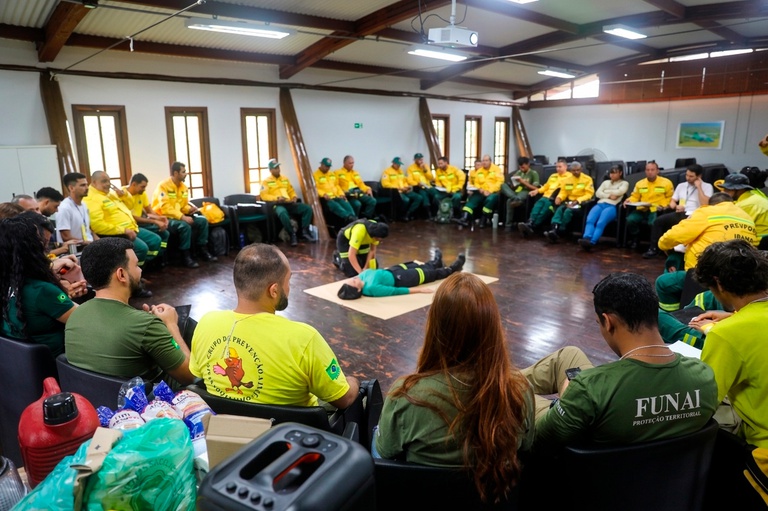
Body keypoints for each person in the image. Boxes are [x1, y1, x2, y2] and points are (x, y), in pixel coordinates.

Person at [374, 273, 534, 504]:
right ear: (492, 327)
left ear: (435, 327)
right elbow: (526, 448)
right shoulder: (519, 391)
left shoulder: (406, 395)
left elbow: (385, 454)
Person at [528, 272, 718, 455]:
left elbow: (542, 439)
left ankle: (508, 385)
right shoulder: (705, 377)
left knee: (515, 390)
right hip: (666, 470)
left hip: (592, 468)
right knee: (570, 354)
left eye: (599, 323)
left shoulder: (588, 389)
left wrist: (564, 402)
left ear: (608, 321)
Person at [190, 243, 360, 408]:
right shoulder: (304, 338)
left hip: (225, 425)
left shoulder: (206, 323)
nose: (289, 287)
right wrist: (353, 381)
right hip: (290, 428)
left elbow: (197, 376)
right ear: (274, 291)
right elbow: (343, 399)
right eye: (288, 281)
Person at [65, 237, 195, 388]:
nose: (140, 270)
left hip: (94, 397)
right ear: (121, 274)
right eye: (136, 265)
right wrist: (171, 325)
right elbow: (190, 377)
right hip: (155, 400)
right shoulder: (146, 326)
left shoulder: (75, 315)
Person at [693, 239, 768, 447]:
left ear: (718, 283)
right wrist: (734, 316)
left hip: (760, 450)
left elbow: (704, 402)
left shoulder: (725, 334)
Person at [655, 192, 758, 311]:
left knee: (664, 282)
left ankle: (672, 315)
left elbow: (672, 237)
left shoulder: (707, 212)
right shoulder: (747, 217)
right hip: (743, 275)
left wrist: (663, 245)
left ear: (711, 204)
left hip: (706, 275)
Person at [0, 214, 79, 357]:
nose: (45, 248)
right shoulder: (42, 291)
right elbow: (87, 320)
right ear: (31, 250)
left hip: (18, 363)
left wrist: (62, 294)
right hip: (56, 362)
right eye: (40, 242)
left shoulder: (7, 284)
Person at [84, 171, 163, 280]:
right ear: (94, 182)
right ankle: (132, 278)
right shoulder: (91, 199)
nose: (108, 184)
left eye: (109, 181)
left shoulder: (110, 194)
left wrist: (124, 195)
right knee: (142, 249)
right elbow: (97, 225)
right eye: (104, 181)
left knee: (155, 240)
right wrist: (124, 230)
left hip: (132, 228)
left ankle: (139, 270)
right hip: (116, 233)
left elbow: (130, 206)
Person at [151, 161, 217, 268]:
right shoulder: (163, 186)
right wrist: (182, 217)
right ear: (175, 173)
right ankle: (185, 256)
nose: (186, 174)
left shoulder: (184, 188)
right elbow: (165, 208)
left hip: (179, 216)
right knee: (185, 226)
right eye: (183, 172)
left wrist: (190, 209)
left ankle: (203, 250)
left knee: (202, 220)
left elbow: (183, 205)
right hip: (165, 218)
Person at [643, 164, 713, 258]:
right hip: (682, 212)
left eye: (691, 176)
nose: (688, 178)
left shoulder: (707, 187)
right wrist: (676, 206)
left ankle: (676, 251)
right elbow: (673, 201)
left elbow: (705, 204)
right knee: (658, 221)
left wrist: (699, 187)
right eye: (687, 175)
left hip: (696, 215)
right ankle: (654, 249)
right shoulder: (681, 186)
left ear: (699, 176)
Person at [337, 249, 465, 299]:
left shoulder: (361, 277)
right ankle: (453, 268)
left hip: (392, 271)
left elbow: (364, 273)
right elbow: (395, 291)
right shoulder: (372, 288)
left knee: (417, 266)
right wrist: (419, 290)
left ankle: (436, 262)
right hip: (401, 279)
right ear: (358, 290)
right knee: (428, 274)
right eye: (353, 282)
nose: (354, 278)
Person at [260, 159, 315, 247]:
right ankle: (292, 234)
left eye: (278, 167)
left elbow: (291, 190)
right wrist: (277, 198)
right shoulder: (266, 181)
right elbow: (264, 195)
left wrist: (294, 197)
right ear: (270, 170)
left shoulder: (285, 179)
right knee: (282, 213)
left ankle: (305, 231)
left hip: (288, 203)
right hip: (277, 204)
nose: (278, 169)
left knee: (307, 208)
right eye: (275, 168)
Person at [622, 161, 674, 250]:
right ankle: (636, 238)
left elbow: (670, 198)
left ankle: (653, 245)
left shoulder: (666, 183)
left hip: (656, 209)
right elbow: (635, 196)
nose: (650, 172)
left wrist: (663, 206)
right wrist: (629, 200)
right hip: (642, 209)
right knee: (630, 220)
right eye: (648, 170)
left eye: (652, 170)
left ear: (657, 171)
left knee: (653, 223)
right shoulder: (640, 183)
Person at [578, 163, 629, 250]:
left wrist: (605, 192)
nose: (612, 175)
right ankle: (586, 238)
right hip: (600, 204)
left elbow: (620, 192)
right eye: (611, 173)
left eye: (615, 173)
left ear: (620, 173)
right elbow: (598, 193)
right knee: (590, 220)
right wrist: (609, 195)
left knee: (600, 223)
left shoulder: (624, 183)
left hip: (612, 206)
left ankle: (592, 241)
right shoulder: (605, 182)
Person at [120, 173, 170, 259]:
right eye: (142, 187)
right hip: (132, 225)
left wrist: (160, 218)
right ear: (134, 184)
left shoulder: (142, 194)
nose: (144, 189)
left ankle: (160, 257)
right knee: (155, 239)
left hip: (142, 223)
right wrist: (155, 221)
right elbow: (133, 217)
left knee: (165, 233)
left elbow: (149, 210)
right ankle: (147, 261)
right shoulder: (122, 194)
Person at [517, 158, 571, 238]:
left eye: (560, 167)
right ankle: (530, 222)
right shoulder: (553, 176)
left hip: (554, 198)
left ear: (565, 167)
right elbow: (546, 186)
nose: (558, 169)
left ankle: (533, 226)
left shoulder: (569, 177)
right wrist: (537, 191)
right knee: (537, 207)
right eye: (557, 167)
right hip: (545, 196)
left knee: (544, 211)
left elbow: (565, 190)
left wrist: (559, 197)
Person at [545, 161, 594, 243]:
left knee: (568, 211)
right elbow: (563, 192)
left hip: (580, 204)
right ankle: (554, 229)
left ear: (581, 169)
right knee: (559, 209)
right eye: (574, 170)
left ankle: (561, 231)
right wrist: (559, 197)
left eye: (578, 170)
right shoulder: (567, 180)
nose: (576, 172)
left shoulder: (587, 179)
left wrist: (578, 200)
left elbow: (589, 194)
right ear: (570, 170)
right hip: (569, 202)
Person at [716, 173, 768, 249]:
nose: (724, 192)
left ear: (740, 190)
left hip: (761, 244)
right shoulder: (752, 197)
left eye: (727, 189)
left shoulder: (745, 205)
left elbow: (734, 228)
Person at [455, 154, 504, 228]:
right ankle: (464, 218)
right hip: (481, 191)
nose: (484, 162)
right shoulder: (479, 171)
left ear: (490, 161)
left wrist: (490, 191)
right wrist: (480, 189)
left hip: (493, 192)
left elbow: (500, 182)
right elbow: (476, 182)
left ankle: (484, 219)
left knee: (491, 199)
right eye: (483, 161)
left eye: (486, 160)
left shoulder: (497, 170)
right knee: (472, 199)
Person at [56, 172, 99, 246]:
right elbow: (66, 237)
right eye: (83, 185)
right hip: (75, 249)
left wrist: (99, 241)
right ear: (71, 188)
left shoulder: (84, 205)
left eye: (87, 184)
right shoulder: (64, 208)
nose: (87, 188)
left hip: (88, 245)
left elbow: (88, 228)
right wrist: (86, 243)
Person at [314, 157, 356, 224]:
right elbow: (316, 188)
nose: (327, 168)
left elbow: (337, 185)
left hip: (337, 196)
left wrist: (341, 194)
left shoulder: (332, 174)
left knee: (346, 204)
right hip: (328, 199)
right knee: (337, 207)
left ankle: (354, 218)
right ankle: (349, 218)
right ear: (321, 164)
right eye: (326, 166)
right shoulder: (315, 175)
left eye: (329, 166)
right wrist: (323, 194)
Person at [502, 156, 540, 231]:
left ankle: (508, 225)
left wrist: (522, 182)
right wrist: (514, 182)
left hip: (526, 191)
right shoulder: (519, 172)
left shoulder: (533, 173)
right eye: (520, 167)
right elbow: (513, 187)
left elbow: (536, 188)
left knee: (509, 201)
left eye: (523, 167)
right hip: (516, 192)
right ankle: (516, 199)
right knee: (503, 185)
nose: (521, 168)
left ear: (528, 164)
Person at [381, 156, 422, 222]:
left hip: (404, 190)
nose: (399, 166)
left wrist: (406, 187)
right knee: (406, 200)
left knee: (418, 197)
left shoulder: (400, 171)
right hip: (396, 192)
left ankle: (408, 213)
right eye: (397, 164)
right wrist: (398, 188)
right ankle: (401, 215)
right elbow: (385, 184)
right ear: (393, 163)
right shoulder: (387, 172)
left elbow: (404, 181)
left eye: (399, 164)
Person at [406, 153, 437, 220]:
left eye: (421, 159)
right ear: (415, 160)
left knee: (436, 193)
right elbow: (409, 180)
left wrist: (424, 169)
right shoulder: (410, 168)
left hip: (427, 186)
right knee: (424, 195)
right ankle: (429, 215)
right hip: (418, 187)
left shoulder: (426, 166)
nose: (421, 161)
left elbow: (430, 177)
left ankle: (437, 211)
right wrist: (417, 184)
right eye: (419, 159)